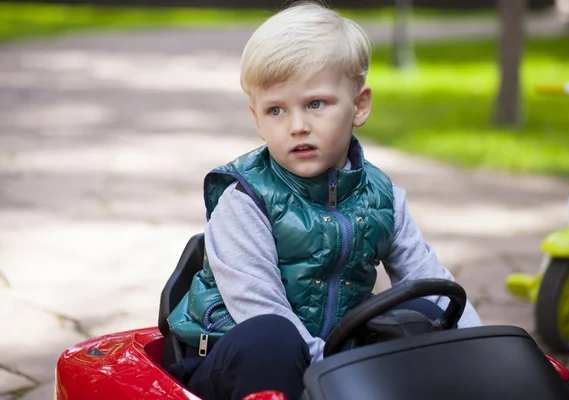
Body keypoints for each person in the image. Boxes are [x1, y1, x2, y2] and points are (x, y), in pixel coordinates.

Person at [167, 2, 482, 399]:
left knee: (422, 315)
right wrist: (336, 378)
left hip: (329, 356)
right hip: (236, 360)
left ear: (360, 105)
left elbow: (428, 281)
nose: (298, 126)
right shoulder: (244, 200)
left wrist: (481, 348)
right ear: (257, 120)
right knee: (271, 337)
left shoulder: (382, 197)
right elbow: (260, 308)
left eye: (316, 104)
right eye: (276, 110)